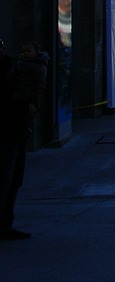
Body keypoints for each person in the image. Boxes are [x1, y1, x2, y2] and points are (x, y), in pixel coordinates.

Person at [0, 40, 48, 240]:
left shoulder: (12, 65)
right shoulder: (10, 69)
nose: (3, 48)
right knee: (5, 179)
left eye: (3, 44)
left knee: (14, 180)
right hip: (7, 131)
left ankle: (5, 224)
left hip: (18, 129)